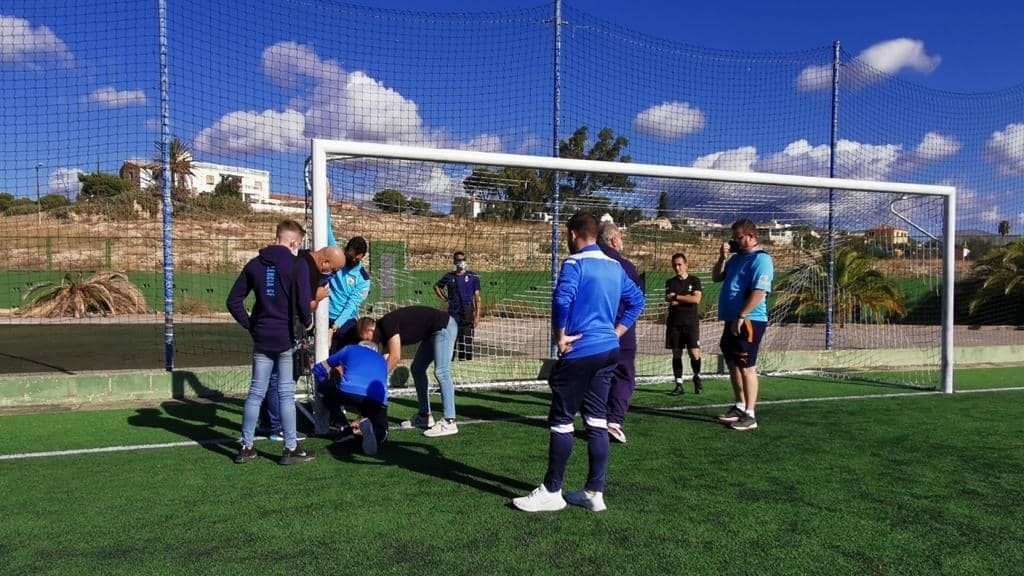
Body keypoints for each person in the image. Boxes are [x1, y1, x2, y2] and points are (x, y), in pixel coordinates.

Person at [512, 212, 645, 513]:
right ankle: (594, 492)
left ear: (573, 235)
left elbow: (561, 300)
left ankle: (551, 490)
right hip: (610, 350)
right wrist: (618, 331)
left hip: (581, 350)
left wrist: (560, 336)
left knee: (562, 420)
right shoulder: (616, 265)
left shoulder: (574, 263)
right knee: (598, 420)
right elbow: (638, 301)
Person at [226, 224, 316, 465]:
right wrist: (308, 323)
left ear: (277, 237)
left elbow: (233, 301)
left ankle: (246, 446)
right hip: (285, 337)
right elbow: (304, 306)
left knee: (256, 392)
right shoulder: (298, 265)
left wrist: (251, 325)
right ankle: (290, 448)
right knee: (286, 394)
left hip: (262, 337)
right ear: (295, 242)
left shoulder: (255, 264)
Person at [258, 220, 346, 441]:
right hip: (288, 330)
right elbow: (302, 304)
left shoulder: (302, 261)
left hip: (273, 327)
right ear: (324, 261)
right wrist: (316, 301)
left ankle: (267, 422)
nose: (331, 275)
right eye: (332, 270)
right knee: (282, 380)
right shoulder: (304, 268)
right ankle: (276, 426)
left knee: (272, 379)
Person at [711, 218, 774, 432]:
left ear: (752, 236)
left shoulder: (762, 259)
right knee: (732, 363)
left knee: (747, 366)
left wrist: (742, 315)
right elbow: (717, 277)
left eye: (739, 238)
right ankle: (739, 405)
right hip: (732, 319)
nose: (736, 242)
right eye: (734, 238)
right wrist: (722, 257)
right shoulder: (736, 258)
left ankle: (750, 414)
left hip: (749, 320)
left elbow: (759, 292)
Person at [374, 305, 460, 437]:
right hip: (432, 332)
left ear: (371, 329)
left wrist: (377, 378)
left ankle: (450, 421)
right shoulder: (384, 335)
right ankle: (425, 416)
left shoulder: (387, 323)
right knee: (417, 369)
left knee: (441, 371)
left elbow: (395, 356)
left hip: (444, 326)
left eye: (366, 338)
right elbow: (385, 360)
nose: (367, 342)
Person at [312, 317, 389, 456]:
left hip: (348, 390)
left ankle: (343, 426)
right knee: (383, 431)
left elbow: (319, 369)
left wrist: (325, 382)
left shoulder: (349, 349)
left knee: (324, 390)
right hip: (378, 399)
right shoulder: (382, 360)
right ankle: (376, 433)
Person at [596, 222, 642, 444]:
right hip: (619, 331)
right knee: (623, 374)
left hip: (593, 330)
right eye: (620, 237)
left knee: (599, 375)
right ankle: (613, 422)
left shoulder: (587, 262)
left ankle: (597, 418)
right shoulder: (624, 267)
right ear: (614, 240)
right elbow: (637, 301)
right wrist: (620, 329)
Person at [325, 218, 371, 352]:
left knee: (343, 360)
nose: (352, 261)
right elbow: (328, 232)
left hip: (345, 322)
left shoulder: (363, 279)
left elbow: (351, 305)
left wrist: (333, 328)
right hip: (324, 315)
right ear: (345, 250)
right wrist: (325, 204)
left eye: (357, 259)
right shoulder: (337, 257)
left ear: (362, 257)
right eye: (350, 256)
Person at [665, 252, 704, 395]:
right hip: (674, 323)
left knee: (694, 354)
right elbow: (669, 300)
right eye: (674, 265)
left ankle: (697, 377)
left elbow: (696, 300)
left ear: (686, 265)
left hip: (691, 323)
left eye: (680, 264)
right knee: (676, 354)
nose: (677, 267)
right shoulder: (670, 282)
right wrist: (686, 298)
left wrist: (677, 297)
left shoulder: (695, 280)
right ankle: (679, 384)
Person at [434, 250, 481, 360]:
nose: (461, 262)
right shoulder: (450, 276)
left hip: (468, 310)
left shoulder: (472, 276)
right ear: (454, 262)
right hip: (454, 312)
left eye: (463, 259)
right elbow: (436, 287)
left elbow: (477, 297)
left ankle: (467, 360)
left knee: (467, 338)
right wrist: (444, 298)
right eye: (459, 260)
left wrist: (477, 315)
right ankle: (451, 362)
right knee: (453, 338)